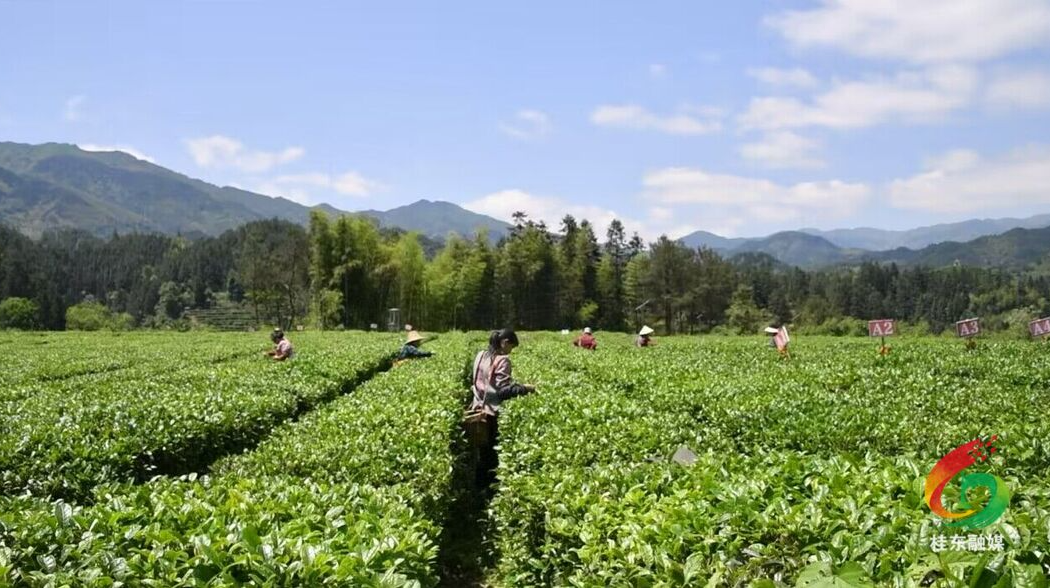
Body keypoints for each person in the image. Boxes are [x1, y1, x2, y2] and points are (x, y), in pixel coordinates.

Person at [470, 328, 535, 488]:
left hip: (477, 408)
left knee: (481, 452)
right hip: (490, 414)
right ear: (505, 343)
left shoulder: (480, 355)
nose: (511, 351)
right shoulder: (502, 360)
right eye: (511, 346)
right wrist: (525, 388)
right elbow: (502, 391)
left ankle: (478, 486)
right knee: (492, 454)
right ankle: (489, 489)